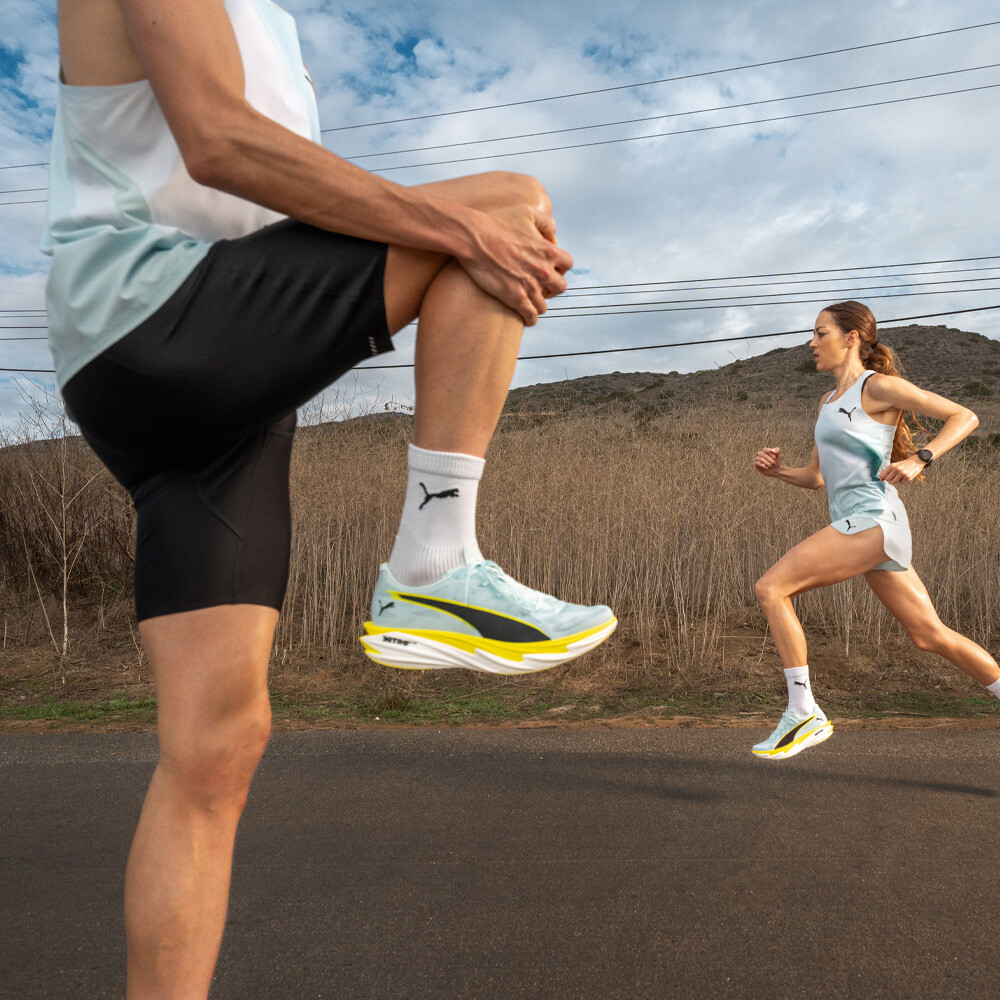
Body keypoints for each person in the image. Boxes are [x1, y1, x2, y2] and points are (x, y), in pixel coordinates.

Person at [43, 0, 616, 995]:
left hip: (216, 384)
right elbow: (219, 141)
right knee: (508, 207)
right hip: (150, 317)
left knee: (216, 750)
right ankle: (435, 560)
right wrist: (463, 230)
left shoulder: (275, 29)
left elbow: (275, 207)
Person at [751, 300, 1000, 759]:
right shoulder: (828, 401)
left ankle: (803, 712)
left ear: (851, 338)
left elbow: (965, 416)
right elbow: (817, 478)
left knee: (771, 588)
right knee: (929, 635)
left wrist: (921, 457)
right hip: (865, 528)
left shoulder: (878, 386)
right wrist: (779, 471)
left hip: (873, 520)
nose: (812, 343)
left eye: (820, 333)